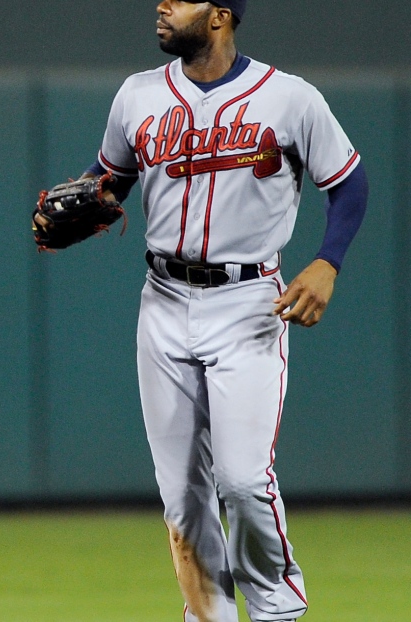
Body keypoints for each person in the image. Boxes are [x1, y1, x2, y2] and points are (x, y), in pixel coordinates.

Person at [37, 1, 368, 620]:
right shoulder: (137, 95)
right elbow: (110, 177)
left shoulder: (289, 98)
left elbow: (348, 182)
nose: (162, 6)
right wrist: (88, 194)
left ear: (219, 15)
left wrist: (328, 261)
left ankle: (276, 607)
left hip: (249, 302)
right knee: (183, 497)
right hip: (162, 300)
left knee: (243, 481)